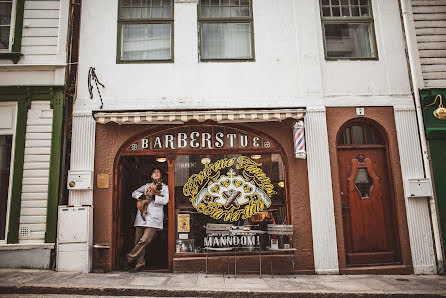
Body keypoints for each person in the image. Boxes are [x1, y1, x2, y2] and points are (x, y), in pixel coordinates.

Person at [126, 168, 169, 272]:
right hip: (141, 217)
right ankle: (140, 264)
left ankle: (129, 257)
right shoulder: (146, 186)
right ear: (151, 176)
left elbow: (165, 200)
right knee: (137, 241)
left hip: (154, 218)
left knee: (145, 240)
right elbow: (134, 193)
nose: (156, 173)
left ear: (161, 175)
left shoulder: (164, 187)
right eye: (154, 172)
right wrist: (142, 195)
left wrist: (152, 196)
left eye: (158, 172)